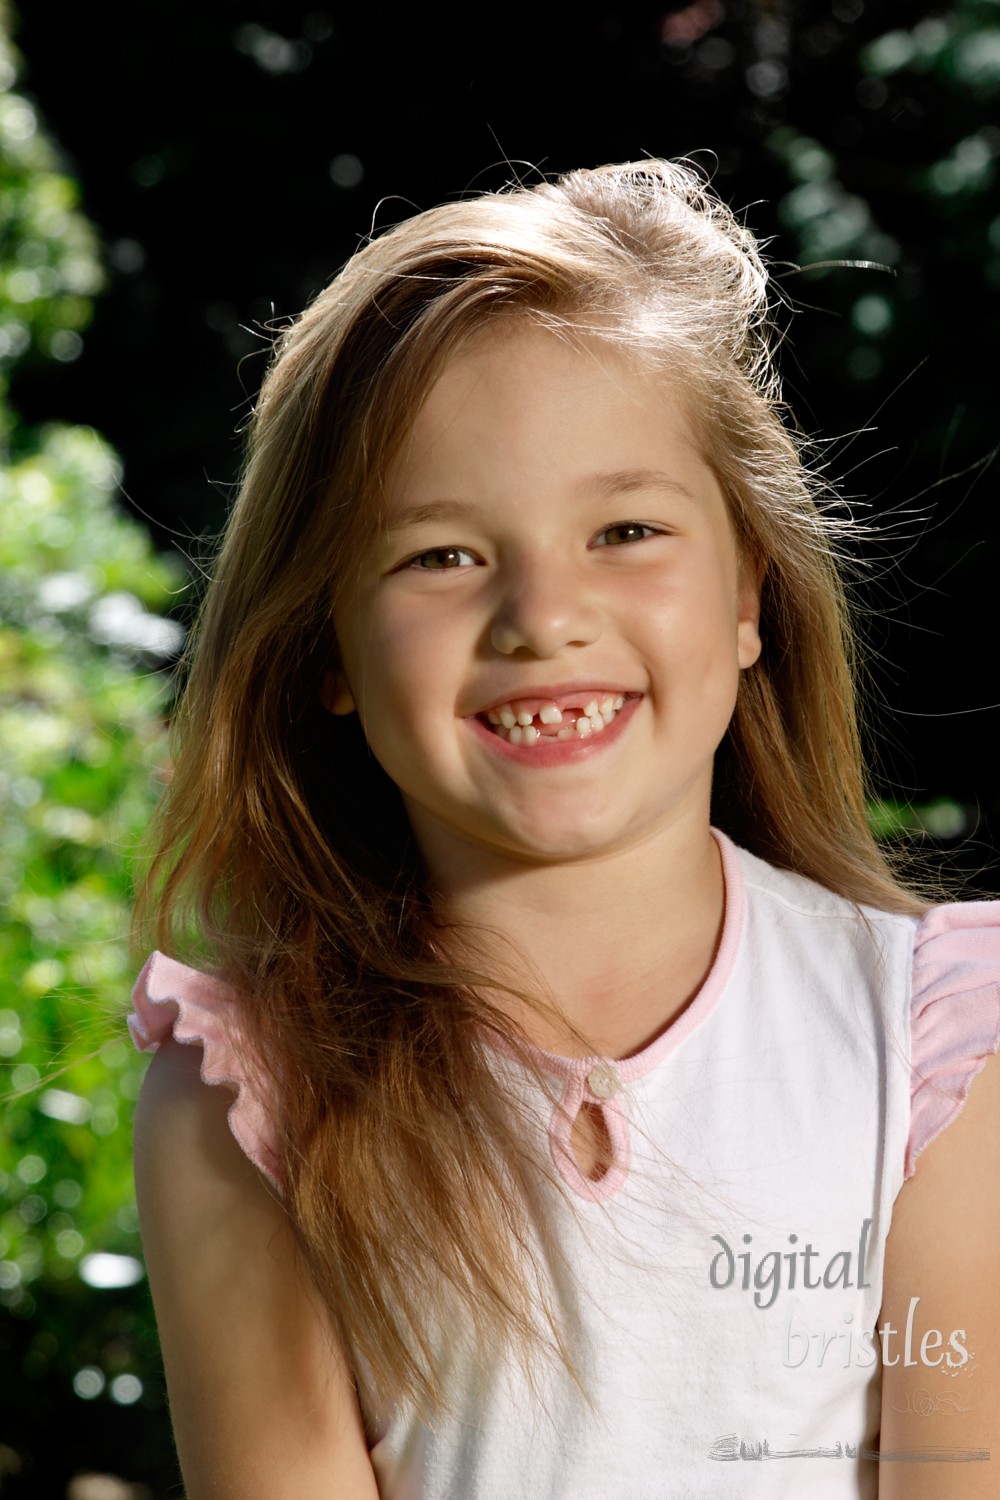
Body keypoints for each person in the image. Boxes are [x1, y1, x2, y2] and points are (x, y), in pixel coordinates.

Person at [129, 159, 1000, 1499]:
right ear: (330, 651)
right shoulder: (253, 1092)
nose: (543, 616)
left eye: (626, 529)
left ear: (748, 594)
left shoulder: (936, 1047)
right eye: (441, 554)